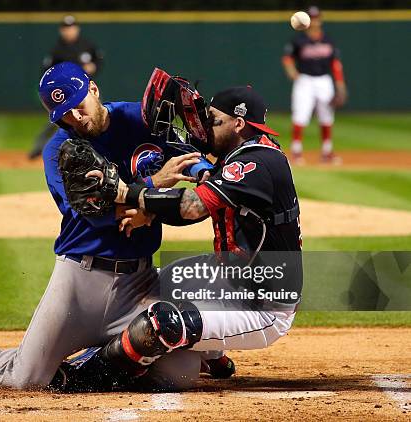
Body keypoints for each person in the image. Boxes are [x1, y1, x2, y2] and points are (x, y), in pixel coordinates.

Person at [0, 62, 218, 391]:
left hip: (138, 283)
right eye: (64, 114)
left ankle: (99, 357)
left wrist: (204, 172)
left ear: (93, 90)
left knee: (179, 373)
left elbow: (186, 155)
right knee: (27, 380)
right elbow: (94, 212)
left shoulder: (140, 119)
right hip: (79, 283)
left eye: (79, 107)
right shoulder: (59, 151)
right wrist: (154, 184)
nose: (75, 118)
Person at [59, 84, 303, 391]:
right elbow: (198, 203)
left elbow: (192, 207)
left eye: (213, 120)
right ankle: (213, 355)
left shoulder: (257, 163)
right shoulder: (241, 155)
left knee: (163, 324)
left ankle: (85, 376)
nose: (203, 128)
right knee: (149, 286)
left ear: (238, 124)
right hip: (229, 276)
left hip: (263, 306)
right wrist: (150, 211)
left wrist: (126, 192)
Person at [28, 15, 104, 160]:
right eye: (66, 28)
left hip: (87, 91)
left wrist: (94, 66)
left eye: (71, 27)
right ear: (61, 30)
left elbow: (99, 59)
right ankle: (39, 148)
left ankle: (99, 150)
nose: (69, 31)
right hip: (65, 96)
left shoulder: (87, 45)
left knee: (100, 116)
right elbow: (46, 71)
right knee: (57, 123)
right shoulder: (57, 50)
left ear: (77, 28)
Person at [282, 6, 347, 164]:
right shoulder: (299, 40)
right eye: (312, 17)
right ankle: (296, 152)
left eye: (317, 17)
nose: (315, 21)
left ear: (320, 20)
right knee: (300, 115)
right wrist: (291, 70)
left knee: (326, 116)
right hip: (304, 80)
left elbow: (336, 64)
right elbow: (287, 58)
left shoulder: (328, 40)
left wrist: (340, 84)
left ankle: (327, 151)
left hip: (324, 80)